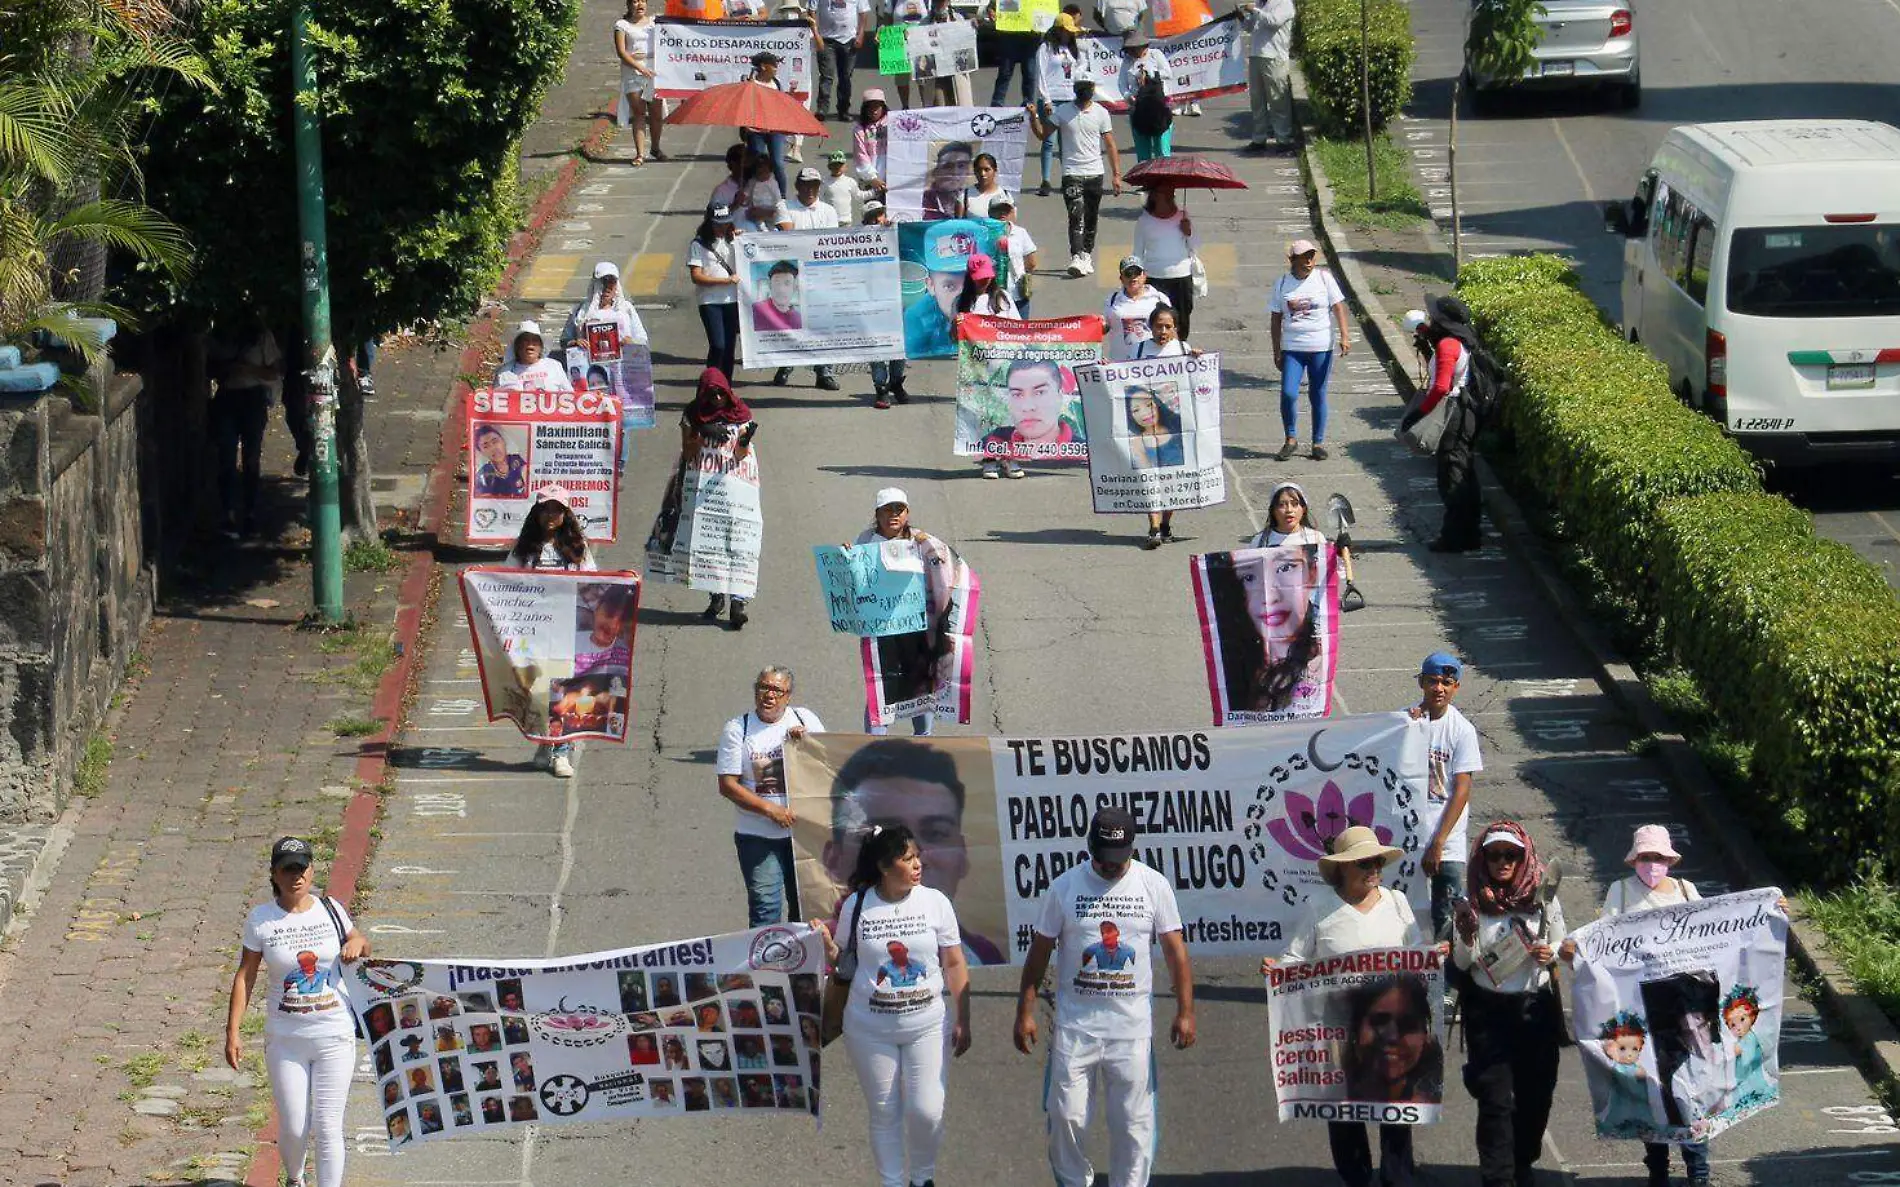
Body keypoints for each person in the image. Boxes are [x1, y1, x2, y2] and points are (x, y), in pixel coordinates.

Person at [1015, 807, 1196, 1187]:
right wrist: (1025, 1011)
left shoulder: (1153, 885)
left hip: (1130, 1031)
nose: (1110, 867)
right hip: (1075, 1027)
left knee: (1133, 1123)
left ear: (1132, 847)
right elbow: (1040, 950)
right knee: (1066, 1115)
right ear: (1090, 847)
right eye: (1103, 858)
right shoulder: (1065, 887)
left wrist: (1185, 1012)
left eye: (1118, 859)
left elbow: (1175, 950)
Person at [1261, 825, 1441, 1186]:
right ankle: (1356, 1178)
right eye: (1364, 863)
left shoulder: (1397, 902)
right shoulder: (1319, 908)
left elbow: (1416, 951)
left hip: (1391, 1028)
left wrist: (1431, 958)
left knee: (1395, 1106)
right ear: (1343, 868)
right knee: (1345, 1112)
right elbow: (1296, 958)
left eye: (1377, 861)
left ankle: (1397, 1178)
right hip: (1339, 1028)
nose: (1373, 869)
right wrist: (1277, 970)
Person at [811, 825, 971, 1187]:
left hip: (927, 1026)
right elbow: (845, 962)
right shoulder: (857, 905)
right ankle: (893, 1182)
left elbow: (955, 962)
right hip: (869, 1030)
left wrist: (965, 1017)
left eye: (918, 857)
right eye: (908, 858)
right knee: (885, 1112)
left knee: (926, 1110)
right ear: (885, 867)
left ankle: (923, 1177)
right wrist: (826, 944)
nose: (918, 865)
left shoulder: (935, 903)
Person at [225, 837, 368, 1187]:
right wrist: (233, 1032)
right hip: (286, 1039)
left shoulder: (331, 908)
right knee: (293, 1124)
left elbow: (361, 941)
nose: (296, 876)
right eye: (288, 869)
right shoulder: (261, 920)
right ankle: (295, 1178)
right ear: (274, 874)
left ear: (312, 870)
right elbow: (246, 974)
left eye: (302, 867)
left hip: (334, 1034)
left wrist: (355, 943)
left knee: (328, 1125)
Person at [817, 739, 1006, 964]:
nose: (914, 856)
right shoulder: (817, 953)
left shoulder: (982, 955)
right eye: (886, 836)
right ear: (834, 859)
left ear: (963, 855)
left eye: (936, 833)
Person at [1453, 821, 1566, 1187]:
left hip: (1536, 1010)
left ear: (1523, 857)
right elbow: (1461, 963)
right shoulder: (1471, 902)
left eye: (1511, 855)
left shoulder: (1544, 898)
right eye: (1494, 855)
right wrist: (1468, 938)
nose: (1502, 862)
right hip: (1489, 1011)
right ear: (1482, 858)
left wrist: (1550, 954)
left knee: (1536, 1097)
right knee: (1495, 1101)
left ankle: (1523, 1161)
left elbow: (1562, 949)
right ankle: (1498, 1178)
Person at [718, 667, 825, 927]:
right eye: (764, 687)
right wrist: (770, 810)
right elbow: (727, 785)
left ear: (788, 696)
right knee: (765, 910)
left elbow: (827, 763)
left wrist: (807, 741)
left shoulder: (804, 718)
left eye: (777, 690)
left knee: (806, 910)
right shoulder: (738, 729)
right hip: (757, 838)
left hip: (803, 836)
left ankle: (804, 968)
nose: (769, 695)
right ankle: (766, 967)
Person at [507, 488, 598, 778]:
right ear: (536, 512)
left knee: (562, 690)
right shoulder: (523, 548)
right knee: (538, 691)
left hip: (566, 630)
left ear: (566, 514)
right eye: (546, 509)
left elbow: (593, 584)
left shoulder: (576, 546)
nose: (551, 516)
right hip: (534, 631)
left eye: (557, 511)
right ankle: (545, 743)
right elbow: (504, 583)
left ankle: (561, 750)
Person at [853, 489, 957, 736]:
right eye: (887, 510)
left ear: (907, 513)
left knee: (920, 684)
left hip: (917, 629)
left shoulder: (922, 541)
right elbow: (853, 578)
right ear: (877, 514)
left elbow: (947, 572)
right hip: (881, 631)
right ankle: (875, 742)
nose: (893, 515)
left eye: (899, 510)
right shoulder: (865, 541)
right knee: (882, 686)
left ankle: (923, 738)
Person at [1399, 295, 1484, 553]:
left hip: (1453, 414)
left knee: (1452, 476)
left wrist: (1419, 414)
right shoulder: (1457, 340)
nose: (1430, 319)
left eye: (1434, 317)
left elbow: (1440, 387)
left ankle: (1454, 538)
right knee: (1464, 473)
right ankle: (1470, 534)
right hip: (1463, 412)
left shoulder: (1448, 344)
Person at [1407, 651, 1481, 944]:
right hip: (1408, 836)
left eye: (1446, 683)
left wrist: (1438, 843)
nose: (1439, 688)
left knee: (1447, 915)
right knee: (1403, 911)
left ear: (1456, 687)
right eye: (1432, 681)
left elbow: (1461, 790)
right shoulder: (1406, 721)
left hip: (1445, 842)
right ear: (1421, 683)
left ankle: (1444, 982)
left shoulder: (1462, 731)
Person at [1201, 541, 1325, 715]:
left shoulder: (1320, 657)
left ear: (1312, 573)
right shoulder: (1237, 669)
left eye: (1285, 568)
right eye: (1249, 578)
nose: (1270, 597)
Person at [677, 368, 758, 628]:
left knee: (740, 542)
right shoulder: (692, 415)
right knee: (708, 543)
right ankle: (716, 597)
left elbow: (741, 455)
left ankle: (738, 603)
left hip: (736, 488)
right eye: (711, 394)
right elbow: (688, 452)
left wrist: (743, 441)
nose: (718, 398)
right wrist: (701, 432)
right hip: (703, 493)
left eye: (721, 392)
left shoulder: (741, 414)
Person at [1028, 80, 1121, 277]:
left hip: (1095, 172)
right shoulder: (1062, 111)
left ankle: (1086, 254)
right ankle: (1076, 256)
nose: (1085, 92)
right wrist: (1034, 116)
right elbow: (1043, 134)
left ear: (1093, 90)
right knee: (1075, 212)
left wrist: (1116, 175)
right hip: (1072, 172)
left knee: (1091, 218)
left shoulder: (1101, 113)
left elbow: (1110, 144)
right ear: (1075, 90)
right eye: (1081, 88)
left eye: (1088, 88)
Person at [1269, 239, 1350, 461]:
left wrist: (1344, 335)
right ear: (1292, 260)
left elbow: (1338, 307)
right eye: (1303, 258)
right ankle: (1291, 439)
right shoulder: (1282, 283)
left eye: (1311, 257)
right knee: (1288, 393)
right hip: (1293, 348)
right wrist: (1276, 351)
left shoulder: (1324, 279)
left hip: (1321, 347)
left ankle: (1318, 442)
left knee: (1318, 394)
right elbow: (1275, 319)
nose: (1308, 262)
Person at [206, 319, 283, 539]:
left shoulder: (260, 335)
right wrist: (226, 369)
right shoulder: (218, 334)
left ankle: (250, 513)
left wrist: (248, 369)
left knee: (251, 458)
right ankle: (227, 514)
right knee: (226, 457)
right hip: (227, 397)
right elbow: (209, 368)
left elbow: (274, 372)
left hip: (252, 398)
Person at [978, 356, 1076, 479]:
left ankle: (1009, 457)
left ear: (1059, 396)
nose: (1028, 406)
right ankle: (991, 458)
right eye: (1017, 394)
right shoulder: (992, 436)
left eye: (1040, 392)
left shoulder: (1077, 443)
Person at [906, 218, 983, 358]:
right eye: (949, 286)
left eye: (970, 282)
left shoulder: (994, 304)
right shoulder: (917, 319)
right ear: (930, 285)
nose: (962, 294)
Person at [1122, 378, 1184, 548]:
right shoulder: (1137, 441)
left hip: (1174, 477)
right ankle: (1154, 527)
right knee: (1152, 489)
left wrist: (1195, 355)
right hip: (1152, 475)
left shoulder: (1176, 429)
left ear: (1157, 405)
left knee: (1171, 494)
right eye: (1136, 410)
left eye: (1149, 405)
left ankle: (1165, 525)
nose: (1145, 413)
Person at [861, 201, 911, 409]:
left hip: (897, 297)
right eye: (872, 217)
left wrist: (893, 231)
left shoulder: (894, 233)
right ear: (865, 221)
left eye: (879, 215)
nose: (877, 220)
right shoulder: (857, 239)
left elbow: (910, 248)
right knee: (877, 345)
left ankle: (896, 382)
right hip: (871, 299)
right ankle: (881, 388)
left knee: (899, 344)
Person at [1134, 186, 1197, 334]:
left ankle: (1180, 351)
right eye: (1165, 192)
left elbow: (1195, 246)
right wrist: (1137, 280)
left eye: (1171, 192)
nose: (1170, 195)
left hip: (1181, 276)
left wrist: (1189, 232)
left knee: (1181, 320)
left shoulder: (1183, 216)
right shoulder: (1144, 221)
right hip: (1155, 278)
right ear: (1154, 196)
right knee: (1157, 321)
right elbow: (1137, 253)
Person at [687, 205, 741, 379]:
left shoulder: (734, 239)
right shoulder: (698, 244)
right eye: (718, 224)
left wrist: (744, 239)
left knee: (729, 348)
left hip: (731, 301)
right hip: (710, 302)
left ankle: (726, 388)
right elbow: (696, 276)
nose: (722, 228)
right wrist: (726, 281)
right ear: (709, 223)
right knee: (718, 345)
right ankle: (711, 382)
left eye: (725, 224)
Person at [562, 260, 647, 362]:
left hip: (623, 367)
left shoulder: (626, 309)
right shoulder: (580, 311)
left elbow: (642, 338)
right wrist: (575, 343)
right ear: (595, 284)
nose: (607, 288)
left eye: (612, 282)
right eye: (603, 282)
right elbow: (564, 340)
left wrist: (632, 342)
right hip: (590, 368)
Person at [1241, 0, 1296, 152]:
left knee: (1277, 99)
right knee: (1257, 99)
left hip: (1275, 56)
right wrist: (1242, 18)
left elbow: (1273, 21)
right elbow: (1250, 27)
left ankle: (1283, 139)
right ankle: (1259, 138)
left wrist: (1255, 11)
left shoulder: (1284, 3)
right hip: (1256, 54)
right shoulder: (1260, 3)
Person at [614, 0, 661, 165]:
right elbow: (621, 52)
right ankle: (640, 154)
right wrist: (639, 68)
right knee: (639, 113)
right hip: (632, 70)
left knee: (656, 112)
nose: (639, 5)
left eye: (643, 1)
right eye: (635, 1)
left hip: (653, 68)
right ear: (628, 4)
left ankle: (656, 148)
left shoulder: (655, 22)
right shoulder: (622, 25)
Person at [1103, 256, 1172, 361]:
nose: (1133, 277)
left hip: (1152, 361)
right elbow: (1102, 329)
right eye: (1128, 274)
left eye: (1137, 272)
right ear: (1121, 278)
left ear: (1144, 276)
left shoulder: (1159, 298)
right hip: (1120, 364)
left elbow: (1171, 330)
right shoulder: (1111, 300)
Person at [1120, 34, 1173, 162]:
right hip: (1138, 108)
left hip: (1158, 106)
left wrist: (1149, 74)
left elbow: (1168, 73)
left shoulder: (1155, 55)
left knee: (1162, 149)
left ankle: (1164, 176)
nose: (1132, 52)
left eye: (1134, 48)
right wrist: (1128, 97)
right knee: (1143, 152)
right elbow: (1122, 84)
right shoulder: (1127, 61)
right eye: (1129, 49)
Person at [815, 0, 871, 121]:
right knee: (826, 76)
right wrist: (816, 34)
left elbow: (863, 13)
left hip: (849, 40)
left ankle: (843, 110)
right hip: (826, 40)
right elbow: (811, 11)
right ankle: (822, 109)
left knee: (845, 77)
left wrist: (861, 34)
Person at [744, 51, 790, 191]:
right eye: (774, 65)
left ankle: (782, 197)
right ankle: (749, 192)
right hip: (755, 130)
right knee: (756, 161)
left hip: (775, 129)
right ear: (764, 66)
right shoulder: (750, 83)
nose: (776, 69)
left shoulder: (777, 84)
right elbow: (744, 106)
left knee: (777, 163)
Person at [982, 0, 1041, 107]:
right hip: (1010, 35)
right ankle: (997, 103)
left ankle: (1028, 102)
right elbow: (992, 6)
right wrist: (991, 11)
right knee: (1005, 71)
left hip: (1032, 36)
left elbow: (1048, 8)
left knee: (1029, 72)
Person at [991, 195, 1039, 317]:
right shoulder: (984, 235)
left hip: (1017, 293)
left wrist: (1021, 276)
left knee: (1019, 332)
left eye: (1006, 210)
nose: (1002, 213)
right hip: (994, 294)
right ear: (990, 213)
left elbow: (1032, 261)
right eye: (998, 210)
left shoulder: (1020, 232)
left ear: (1012, 212)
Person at [495, 320, 573, 391]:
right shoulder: (504, 372)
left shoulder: (554, 366)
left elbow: (571, 396)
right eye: (525, 340)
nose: (530, 344)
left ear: (541, 347)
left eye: (535, 340)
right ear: (517, 345)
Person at [922, 0, 975, 106]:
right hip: (936, 74)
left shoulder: (958, 19)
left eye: (943, 1)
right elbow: (919, 48)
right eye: (938, 2)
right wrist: (909, 37)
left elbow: (967, 45)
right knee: (940, 108)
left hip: (956, 73)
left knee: (960, 105)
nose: (940, 4)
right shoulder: (924, 23)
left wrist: (972, 29)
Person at [1246, 480, 1326, 548]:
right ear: (1273, 510)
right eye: (1281, 505)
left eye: (1294, 504)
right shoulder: (1259, 542)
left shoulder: (1316, 538)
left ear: (1303, 509)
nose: (1289, 510)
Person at [923, 141, 976, 220]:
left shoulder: (972, 199)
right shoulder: (921, 200)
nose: (955, 172)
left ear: (968, 171)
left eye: (961, 166)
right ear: (936, 171)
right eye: (947, 166)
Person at [473, 425, 529, 496]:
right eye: (486, 446)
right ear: (481, 452)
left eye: (495, 441)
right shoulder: (482, 476)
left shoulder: (518, 460)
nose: (493, 448)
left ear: (503, 442)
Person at [960, 251, 1017, 319]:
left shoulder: (1003, 297)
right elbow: (955, 327)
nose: (983, 281)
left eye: (986, 277)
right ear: (970, 277)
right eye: (979, 278)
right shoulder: (960, 302)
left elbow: (1017, 325)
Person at [853, 90, 891, 187]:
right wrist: (872, 178)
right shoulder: (859, 129)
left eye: (877, 107)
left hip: (892, 176)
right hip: (871, 181)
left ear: (883, 107)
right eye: (870, 107)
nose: (873, 111)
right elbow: (860, 154)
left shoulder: (893, 123)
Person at [962, 152, 1012, 220]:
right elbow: (959, 226)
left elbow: (1011, 226)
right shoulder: (965, 195)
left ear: (995, 171)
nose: (982, 174)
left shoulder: (1006, 196)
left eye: (987, 170)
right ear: (974, 171)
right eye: (979, 170)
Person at [822, 148, 860, 223]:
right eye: (834, 165)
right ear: (829, 167)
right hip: (829, 221)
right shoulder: (824, 182)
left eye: (840, 165)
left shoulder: (850, 181)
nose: (837, 167)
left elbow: (859, 195)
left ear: (845, 167)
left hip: (846, 221)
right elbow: (818, 200)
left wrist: (875, 191)